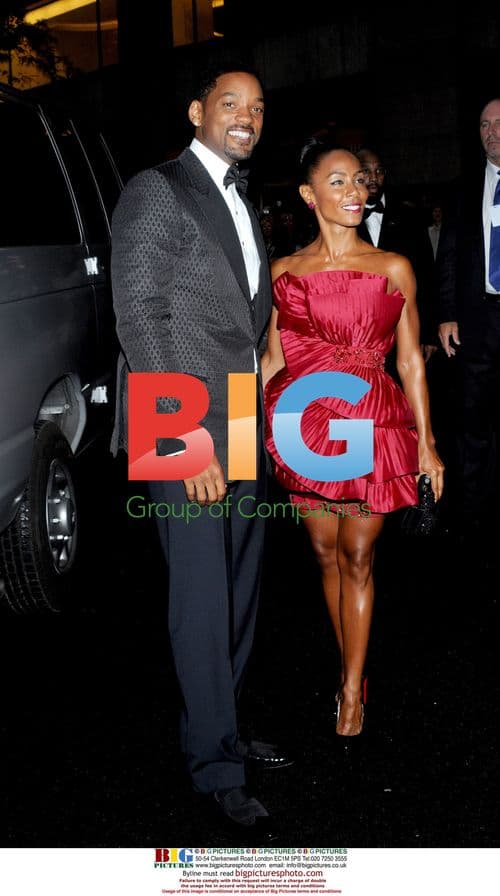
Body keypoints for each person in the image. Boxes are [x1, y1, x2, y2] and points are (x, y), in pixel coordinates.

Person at [110, 65, 289, 834]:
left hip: (239, 412)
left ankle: (220, 723)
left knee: (239, 586)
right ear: (197, 112)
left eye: (255, 107)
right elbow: (140, 315)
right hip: (176, 415)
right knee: (199, 595)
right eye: (229, 103)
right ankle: (216, 766)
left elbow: (244, 307)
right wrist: (184, 437)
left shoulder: (241, 197)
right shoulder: (157, 189)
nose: (245, 117)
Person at [262, 140, 444, 737]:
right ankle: (352, 664)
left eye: (360, 183)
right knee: (323, 553)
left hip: (370, 417)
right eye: (337, 183)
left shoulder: (394, 267)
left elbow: (412, 360)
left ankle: (349, 690)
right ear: (309, 196)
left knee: (358, 555)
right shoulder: (282, 274)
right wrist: (237, 439)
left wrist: (427, 443)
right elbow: (271, 360)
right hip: (302, 420)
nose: (355, 193)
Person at [437, 97, 500, 539]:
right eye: (484, 125)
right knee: (472, 418)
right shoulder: (464, 188)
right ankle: (475, 514)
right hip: (477, 322)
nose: (491, 131)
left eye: (499, 123)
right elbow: (449, 256)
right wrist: (445, 314)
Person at [356, 148, 437, 363]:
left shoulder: (410, 217)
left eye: (379, 171)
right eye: (366, 171)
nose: (373, 177)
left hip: (404, 328)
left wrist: (428, 333)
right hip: (358, 333)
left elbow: (427, 275)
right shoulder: (343, 218)